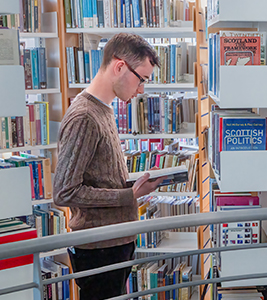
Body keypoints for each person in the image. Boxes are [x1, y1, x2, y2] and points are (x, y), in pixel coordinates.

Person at [53, 33, 163, 300]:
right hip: (99, 249)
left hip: (114, 242)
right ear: (119, 67)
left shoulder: (104, 109)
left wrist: (133, 187)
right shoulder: (85, 116)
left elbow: (99, 178)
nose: (141, 90)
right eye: (142, 79)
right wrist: (128, 195)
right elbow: (64, 192)